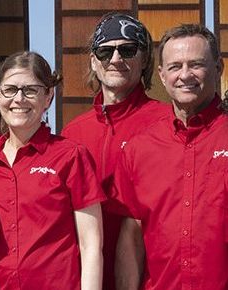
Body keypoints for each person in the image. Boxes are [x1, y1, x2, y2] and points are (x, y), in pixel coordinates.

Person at [0, 51, 105, 290]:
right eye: (10, 90)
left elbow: (91, 245)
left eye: (30, 90)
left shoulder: (71, 156)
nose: (19, 99)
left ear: (48, 97)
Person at [114, 24, 228, 290]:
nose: (185, 75)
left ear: (219, 68)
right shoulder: (138, 149)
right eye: (175, 66)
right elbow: (131, 240)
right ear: (162, 76)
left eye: (196, 64)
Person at [58, 14, 166, 289]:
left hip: (150, 279)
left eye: (127, 50)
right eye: (105, 51)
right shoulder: (72, 133)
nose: (116, 59)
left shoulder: (167, 123)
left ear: (144, 60)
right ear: (94, 62)